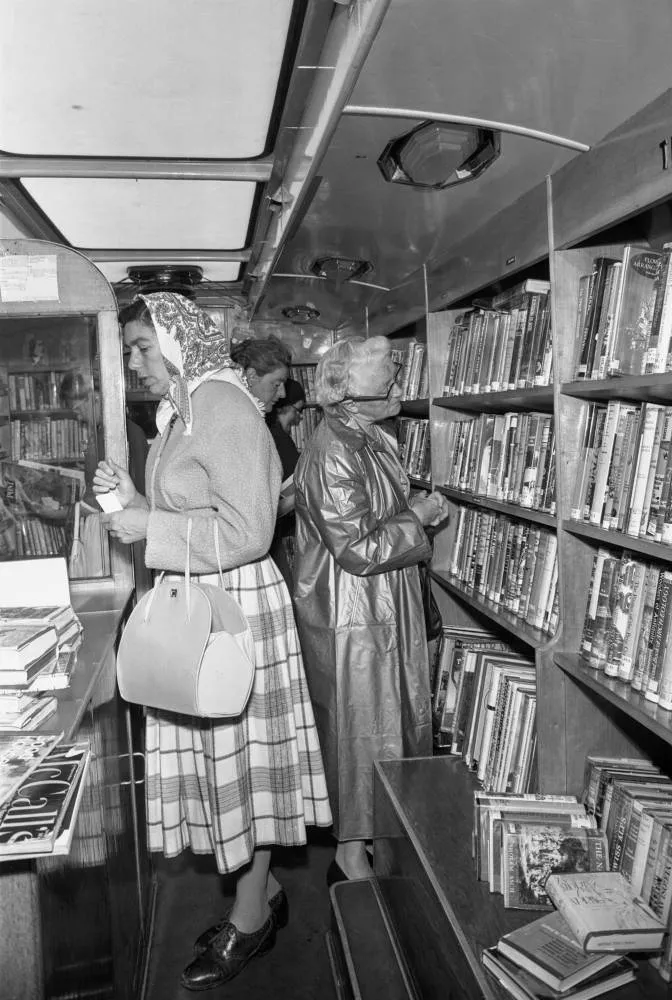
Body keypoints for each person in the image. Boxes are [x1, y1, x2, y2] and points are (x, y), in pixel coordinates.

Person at [92, 293, 331, 991]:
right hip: (209, 597)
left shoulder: (221, 407)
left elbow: (249, 531)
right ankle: (263, 895)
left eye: (141, 346)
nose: (134, 362)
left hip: (235, 606)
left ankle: (252, 916)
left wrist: (150, 530)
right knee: (228, 766)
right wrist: (132, 506)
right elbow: (191, 510)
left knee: (242, 767)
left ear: (176, 338)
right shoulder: (184, 409)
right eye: (130, 349)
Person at [293, 335, 448, 883]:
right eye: (384, 369)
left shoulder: (367, 435)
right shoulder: (333, 447)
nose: (395, 376)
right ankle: (352, 850)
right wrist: (421, 517)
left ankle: (379, 840)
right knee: (363, 728)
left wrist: (410, 514)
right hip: (352, 611)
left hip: (383, 601)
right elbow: (356, 547)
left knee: (392, 720)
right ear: (347, 385)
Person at [266, 377, 306, 590]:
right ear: (283, 408)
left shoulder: (275, 436)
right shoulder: (277, 440)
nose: (299, 419)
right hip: (281, 537)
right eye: (297, 410)